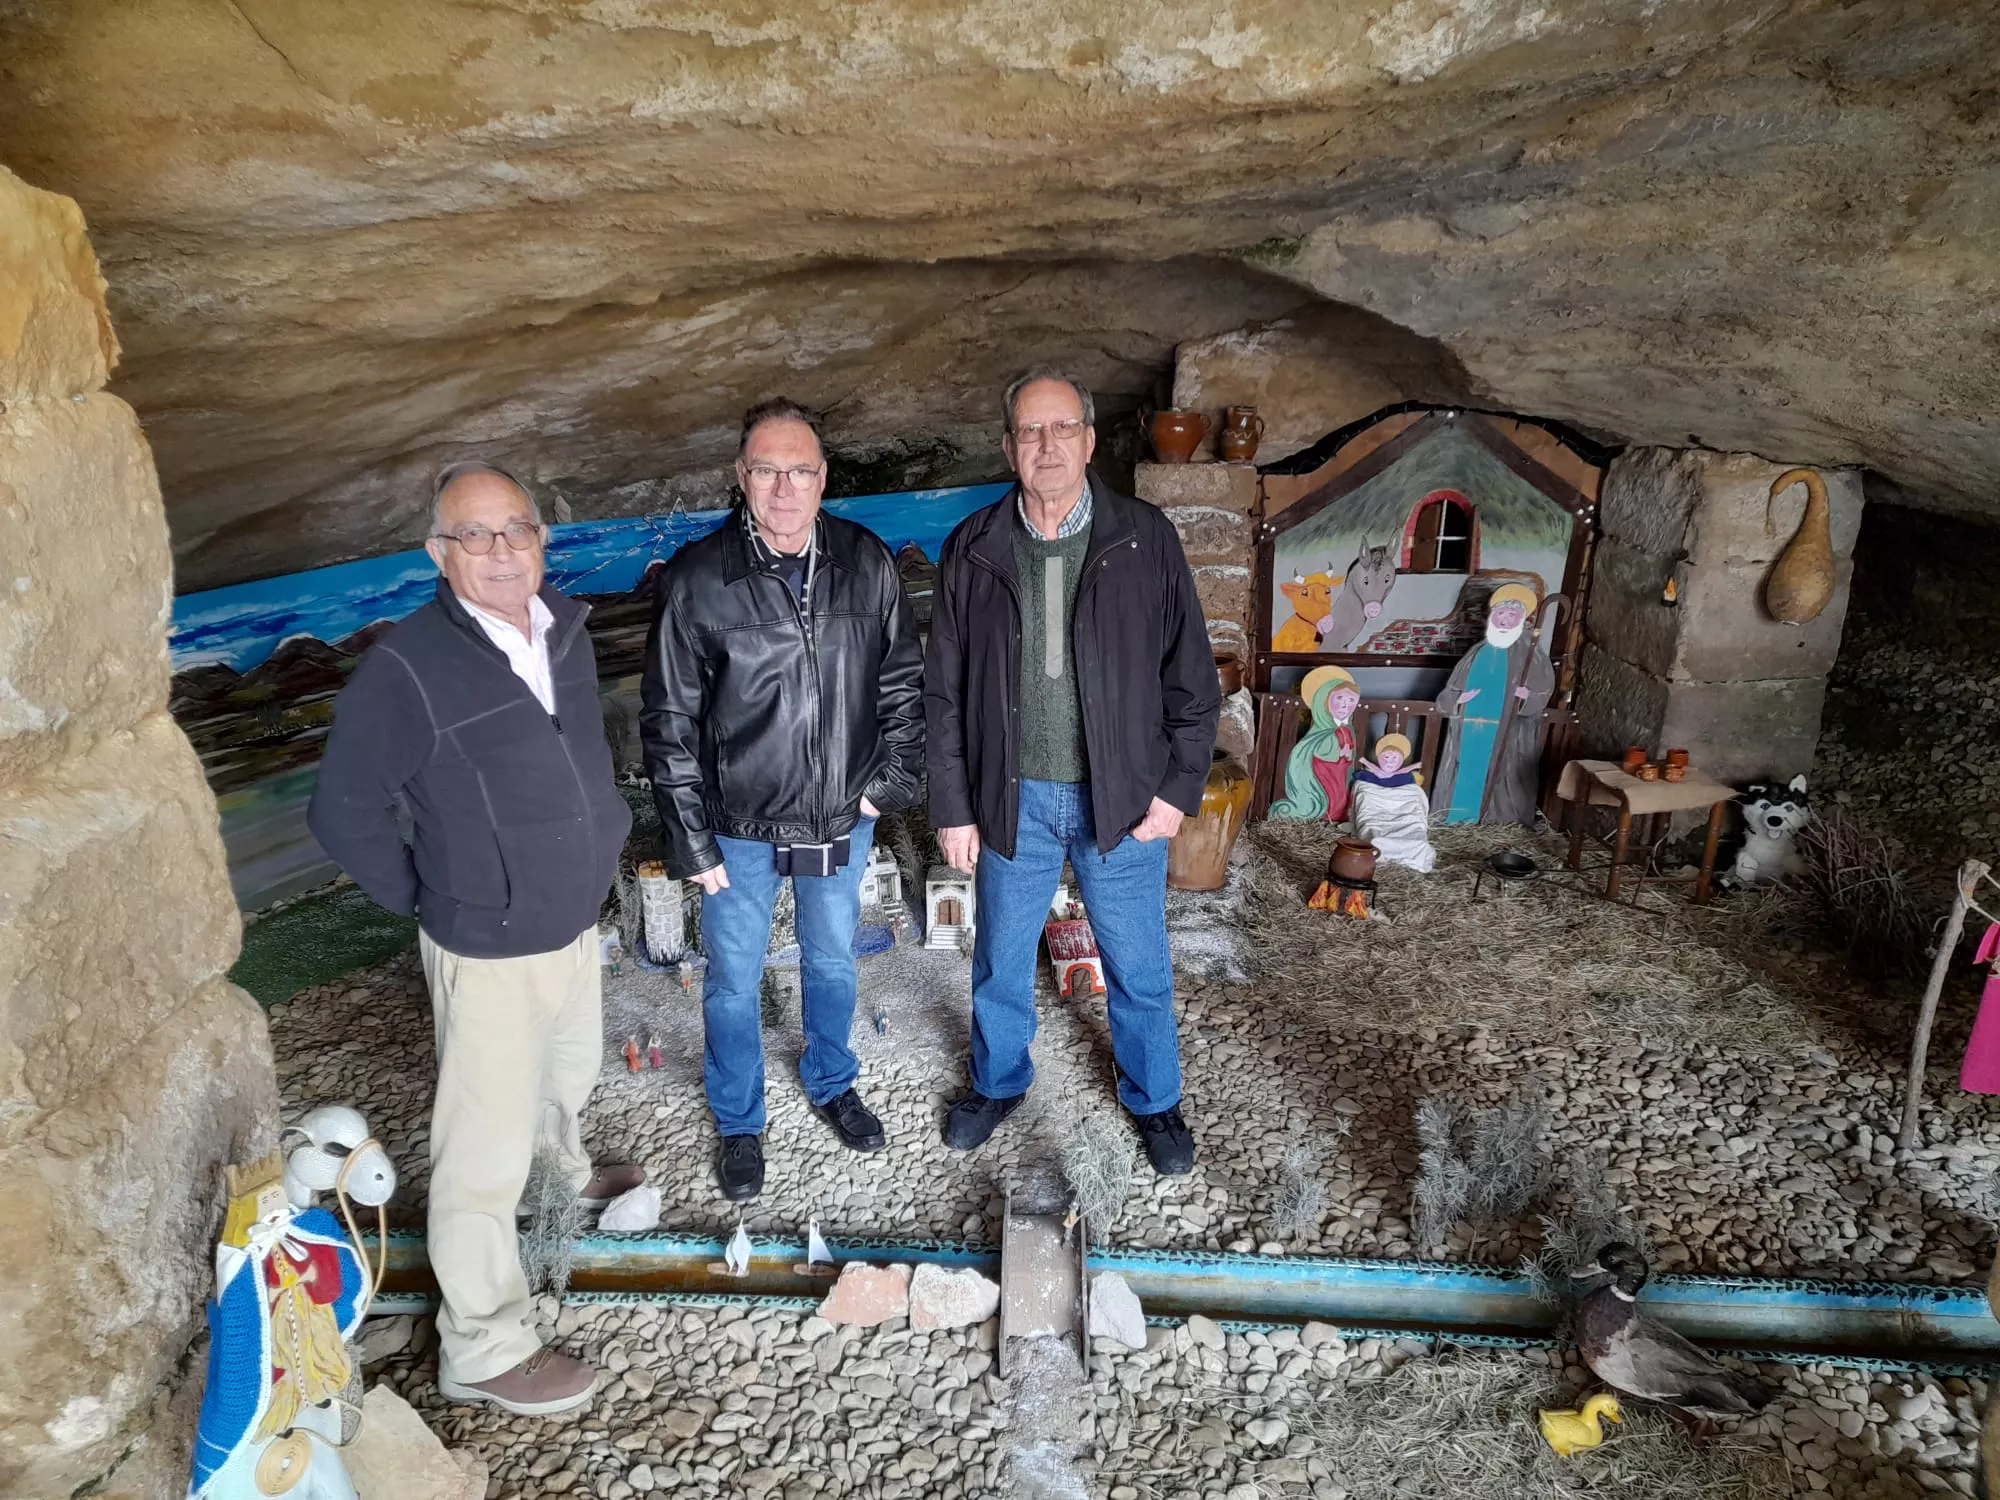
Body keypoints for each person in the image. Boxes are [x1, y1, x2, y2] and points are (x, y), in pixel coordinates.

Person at [308, 462, 640, 1416]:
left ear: (542, 538)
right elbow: (343, 809)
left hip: (571, 920)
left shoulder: (562, 628)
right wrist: (431, 896)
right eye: (475, 534)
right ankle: (484, 1346)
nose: (500, 551)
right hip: (487, 942)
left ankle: (560, 1185)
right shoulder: (406, 668)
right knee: (480, 1151)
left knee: (565, 1075)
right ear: (439, 553)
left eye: (516, 529)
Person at [924, 366, 1219, 1174]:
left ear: (1089, 441)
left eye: (1062, 428)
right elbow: (943, 692)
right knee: (1000, 958)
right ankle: (998, 1082)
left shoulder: (1145, 538)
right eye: (1030, 430)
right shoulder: (973, 547)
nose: (1046, 444)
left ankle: (1154, 1099)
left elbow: (1193, 679)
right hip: (1010, 797)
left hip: (1121, 798)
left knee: (1138, 964)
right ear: (1009, 446)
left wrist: (1175, 791)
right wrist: (952, 805)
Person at [639, 399, 925, 1202]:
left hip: (842, 818)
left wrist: (888, 787)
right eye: (767, 470)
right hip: (739, 828)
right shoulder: (698, 580)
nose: (785, 488)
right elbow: (668, 720)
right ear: (742, 476)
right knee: (732, 977)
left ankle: (833, 1080)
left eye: (800, 471)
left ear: (823, 477)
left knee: (832, 959)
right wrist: (691, 839)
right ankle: (739, 1118)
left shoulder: (866, 563)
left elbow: (904, 684)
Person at [1432, 582, 1555, 824]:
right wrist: (1458, 699)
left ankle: (1500, 822)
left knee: (1504, 775)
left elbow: (1543, 690)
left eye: (1511, 616)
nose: (1504, 621)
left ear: (1521, 619)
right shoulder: (1477, 652)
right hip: (1470, 728)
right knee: (1466, 770)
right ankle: (1458, 818)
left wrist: (1527, 696)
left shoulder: (1531, 653)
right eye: (1500, 614)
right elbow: (1451, 691)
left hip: (1508, 729)